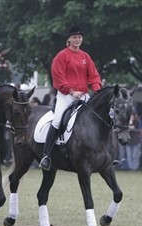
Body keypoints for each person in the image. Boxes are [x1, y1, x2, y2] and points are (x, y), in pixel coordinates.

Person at [39, 25, 102, 171]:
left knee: (98, 118)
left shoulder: (85, 57)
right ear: (69, 39)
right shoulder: (62, 56)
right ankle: (46, 155)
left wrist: (97, 90)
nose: (77, 40)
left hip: (84, 95)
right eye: (74, 37)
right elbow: (58, 78)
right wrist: (72, 91)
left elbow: (94, 76)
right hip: (66, 95)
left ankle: (104, 155)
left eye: (79, 37)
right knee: (57, 120)